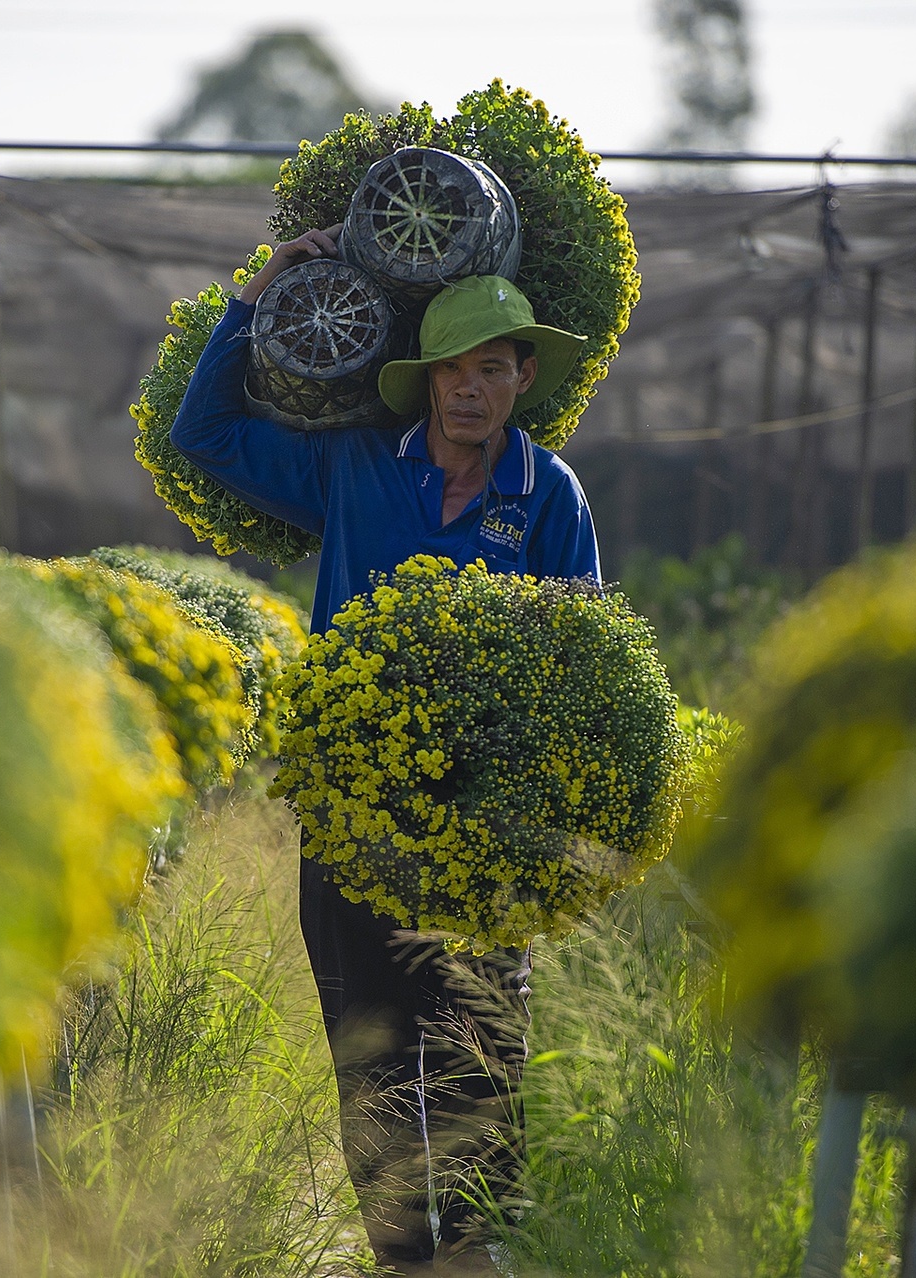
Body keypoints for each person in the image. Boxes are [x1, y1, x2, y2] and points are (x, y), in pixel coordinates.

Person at [169, 225, 601, 1273]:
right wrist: (265, 286)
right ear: (423, 384)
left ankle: (476, 1255)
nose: (468, 391)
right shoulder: (353, 465)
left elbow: (585, 651)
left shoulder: (548, 496)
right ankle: (404, 1257)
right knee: (369, 1049)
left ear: (522, 377)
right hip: (353, 812)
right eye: (450, 370)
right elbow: (204, 434)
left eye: (489, 369)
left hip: (484, 830)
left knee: (479, 1056)